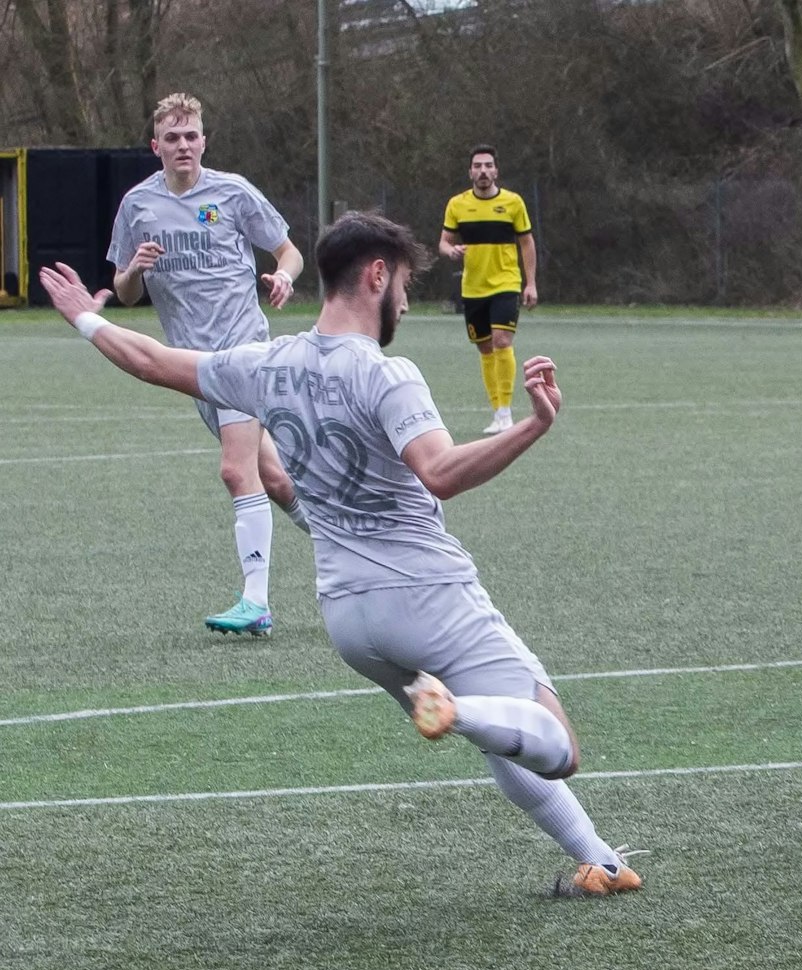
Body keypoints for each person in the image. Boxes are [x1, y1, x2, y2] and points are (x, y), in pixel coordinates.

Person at [41, 212, 641, 895]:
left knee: (500, 734)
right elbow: (439, 471)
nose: (408, 303)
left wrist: (84, 319)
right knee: (556, 745)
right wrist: (536, 425)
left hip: (350, 618)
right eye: (406, 284)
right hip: (427, 592)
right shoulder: (387, 373)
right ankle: (458, 708)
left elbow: (152, 360)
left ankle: (602, 861)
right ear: (376, 274)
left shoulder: (267, 362)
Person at [108, 92, 309, 635]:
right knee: (277, 480)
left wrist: (284, 276)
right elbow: (123, 294)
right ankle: (361, 550)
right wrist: (133, 270)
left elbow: (289, 251)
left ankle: (256, 602)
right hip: (191, 361)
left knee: (234, 470)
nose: (183, 145)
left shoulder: (233, 192)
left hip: (243, 348)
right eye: (172, 137)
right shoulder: (138, 206)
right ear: (156, 146)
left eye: (191, 136)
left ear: (204, 141)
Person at [439, 145, 537, 434]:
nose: (483, 171)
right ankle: (497, 411)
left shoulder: (513, 203)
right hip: (473, 287)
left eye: (488, 165)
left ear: (496, 170)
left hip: (506, 283)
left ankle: (505, 413)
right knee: (484, 348)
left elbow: (527, 243)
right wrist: (451, 250)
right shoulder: (457, 204)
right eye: (478, 166)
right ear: (470, 171)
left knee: (502, 341)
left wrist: (530, 283)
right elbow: (443, 242)